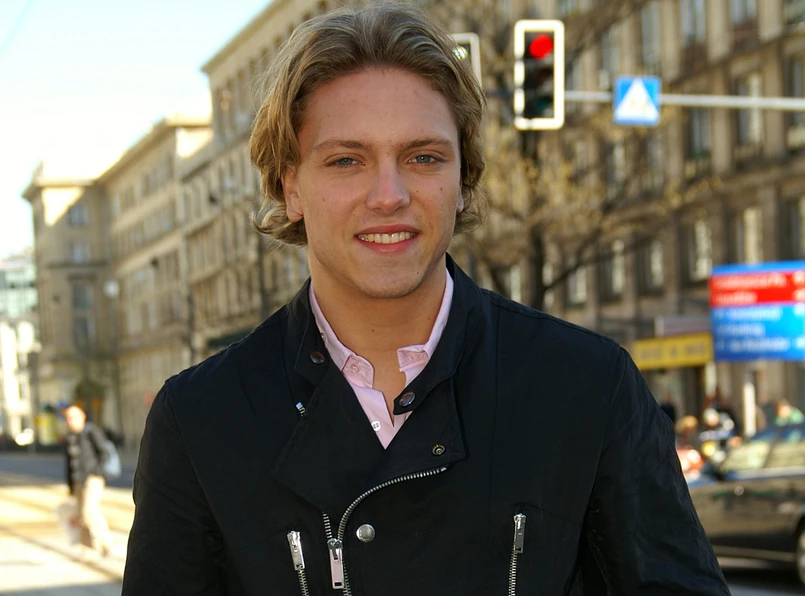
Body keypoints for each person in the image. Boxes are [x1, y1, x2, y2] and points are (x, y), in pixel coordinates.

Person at [122, 4, 729, 594]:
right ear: (292, 187)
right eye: (346, 160)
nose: (389, 194)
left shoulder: (588, 386)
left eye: (423, 157)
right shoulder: (201, 421)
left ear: (462, 180)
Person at [62, 403, 112, 558]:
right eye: (68, 418)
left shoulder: (91, 432)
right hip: (78, 480)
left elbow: (104, 452)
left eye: (74, 417)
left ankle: (105, 542)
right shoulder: (71, 437)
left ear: (83, 417)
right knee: (80, 515)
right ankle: (87, 549)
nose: (71, 421)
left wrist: (97, 471)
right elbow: (69, 463)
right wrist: (70, 486)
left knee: (89, 512)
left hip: (92, 479)